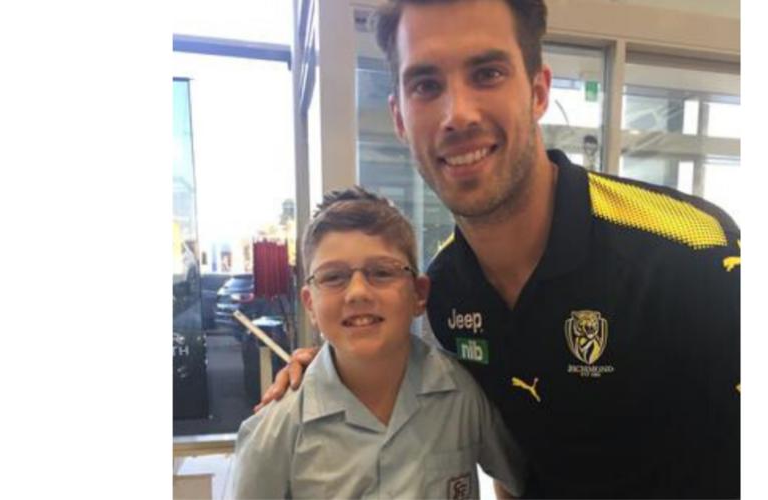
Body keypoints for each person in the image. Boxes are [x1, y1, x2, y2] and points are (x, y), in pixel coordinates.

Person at [263, 0, 741, 496]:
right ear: (400, 119)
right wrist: (322, 375)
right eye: (426, 85)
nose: (458, 114)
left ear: (538, 91)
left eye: (487, 73)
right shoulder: (447, 292)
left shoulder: (692, 254)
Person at [230, 188, 525, 499]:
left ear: (419, 294)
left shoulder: (463, 396)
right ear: (310, 304)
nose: (358, 292)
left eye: (382, 272)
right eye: (333, 277)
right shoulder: (274, 432)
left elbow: (515, 478)